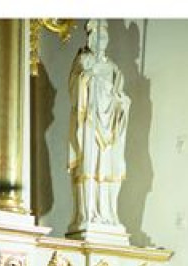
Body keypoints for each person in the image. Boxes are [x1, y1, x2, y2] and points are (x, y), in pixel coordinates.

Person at [68, 18, 131, 231]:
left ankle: (107, 213)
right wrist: (86, 78)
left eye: (104, 37)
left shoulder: (114, 69)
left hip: (109, 126)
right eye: (97, 37)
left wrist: (122, 103)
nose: (101, 41)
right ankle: (88, 213)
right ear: (90, 38)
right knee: (89, 166)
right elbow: (74, 91)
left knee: (108, 167)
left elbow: (119, 96)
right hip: (89, 123)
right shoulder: (83, 61)